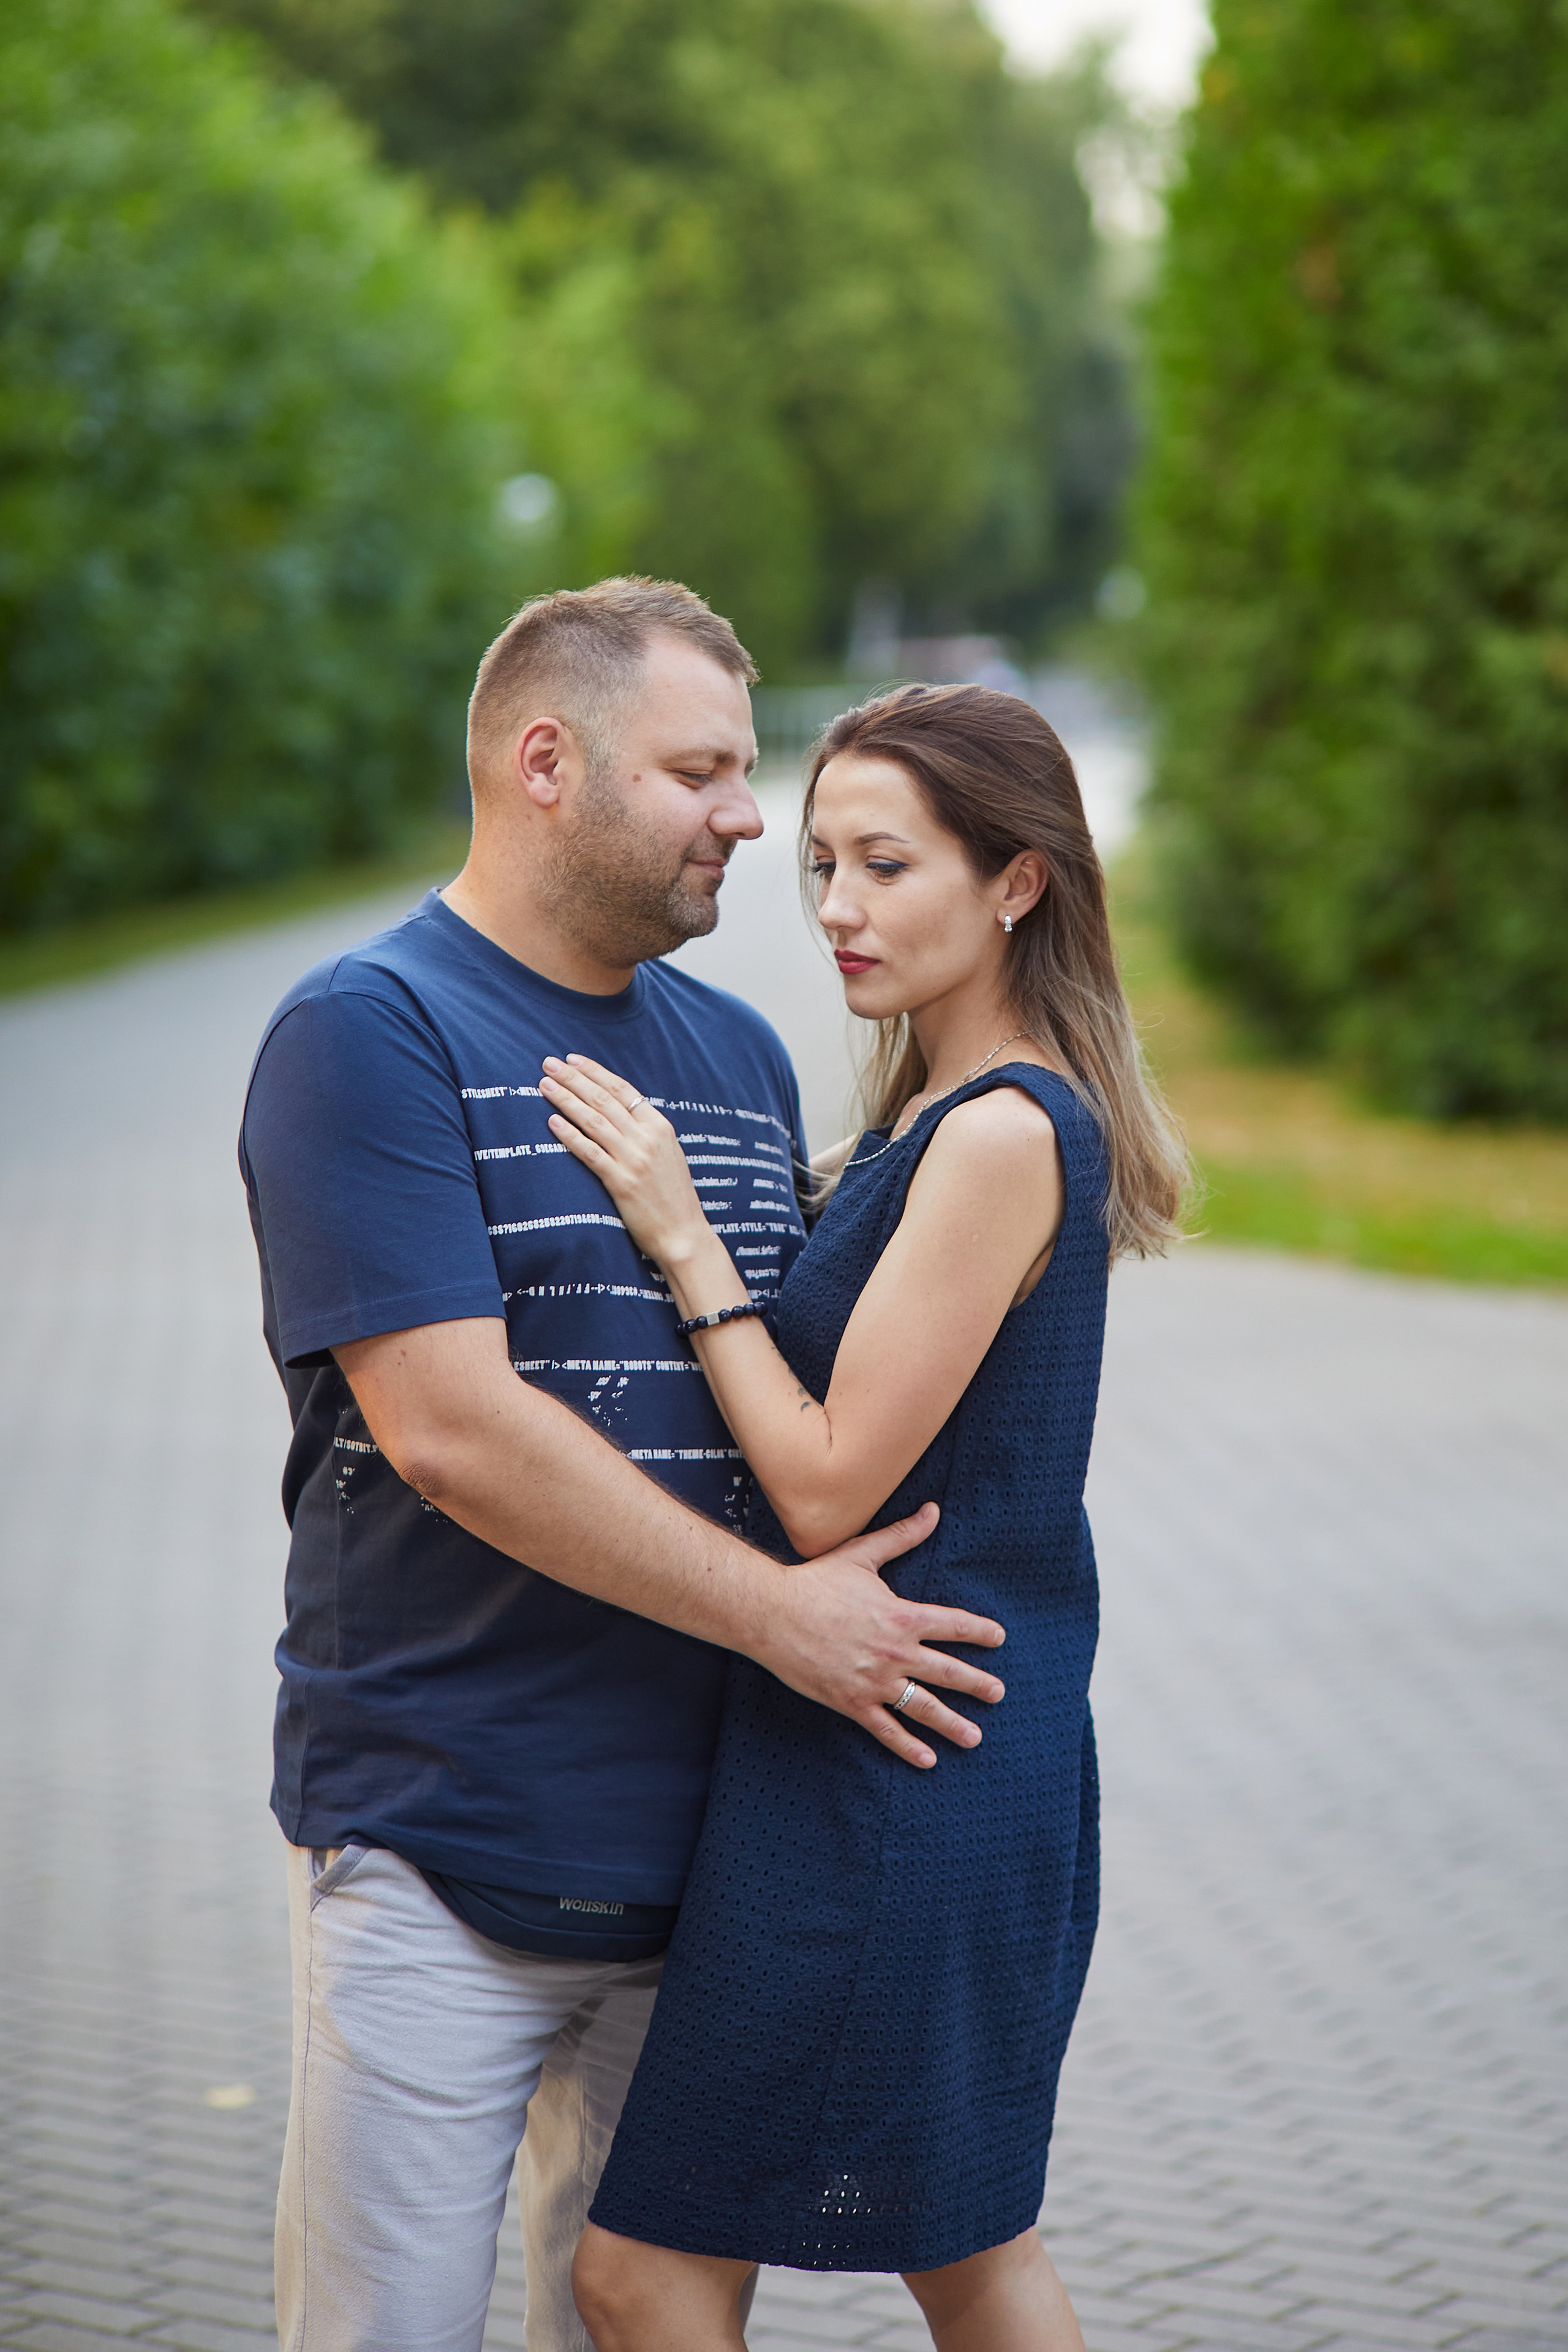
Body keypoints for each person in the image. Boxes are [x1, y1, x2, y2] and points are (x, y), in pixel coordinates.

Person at [238, 582, 1008, 2352]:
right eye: (705, 770)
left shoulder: (736, 1058)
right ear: (544, 765)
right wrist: (786, 1622)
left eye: (749, 769)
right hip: (441, 1845)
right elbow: (447, 1426)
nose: (753, 812)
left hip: (713, 1861)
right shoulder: (370, 1031)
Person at [541, 682, 1189, 2352]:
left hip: (900, 1775)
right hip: (885, 1747)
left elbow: (828, 1482)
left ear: (1017, 882)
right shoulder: (933, 1116)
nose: (834, 906)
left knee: (669, 2268)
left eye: (886, 865)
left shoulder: (998, 1132)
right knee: (959, 2251)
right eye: (821, 862)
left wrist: (687, 1243)